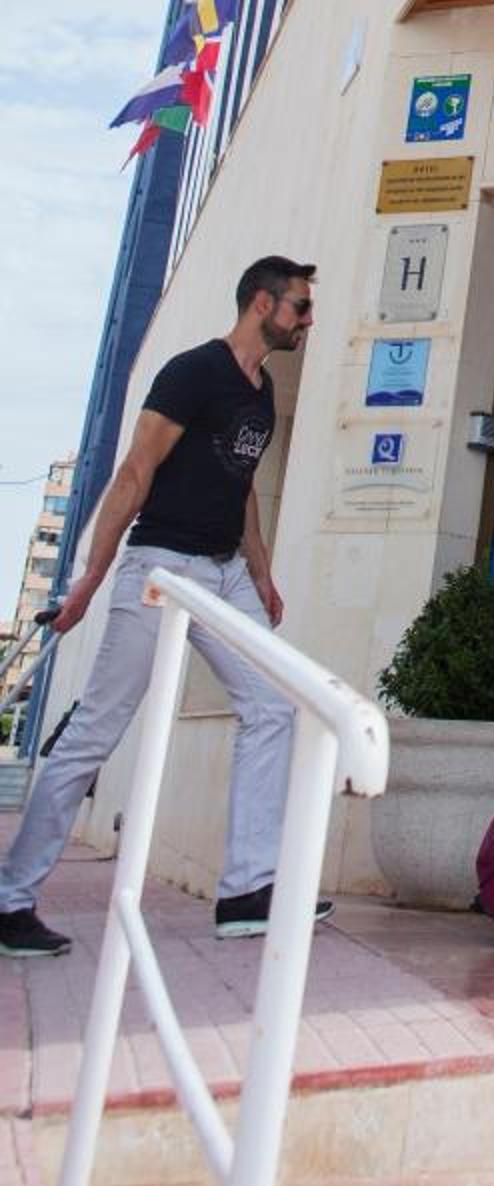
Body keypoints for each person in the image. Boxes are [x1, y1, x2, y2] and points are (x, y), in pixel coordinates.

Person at [0, 256, 329, 959]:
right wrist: (89, 581)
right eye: (300, 306)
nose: (308, 319)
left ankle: (246, 891)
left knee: (272, 707)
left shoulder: (263, 390)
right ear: (262, 304)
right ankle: (11, 898)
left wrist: (261, 574)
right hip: (162, 570)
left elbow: (243, 485)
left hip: (224, 573)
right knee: (96, 731)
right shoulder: (192, 372)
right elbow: (135, 470)